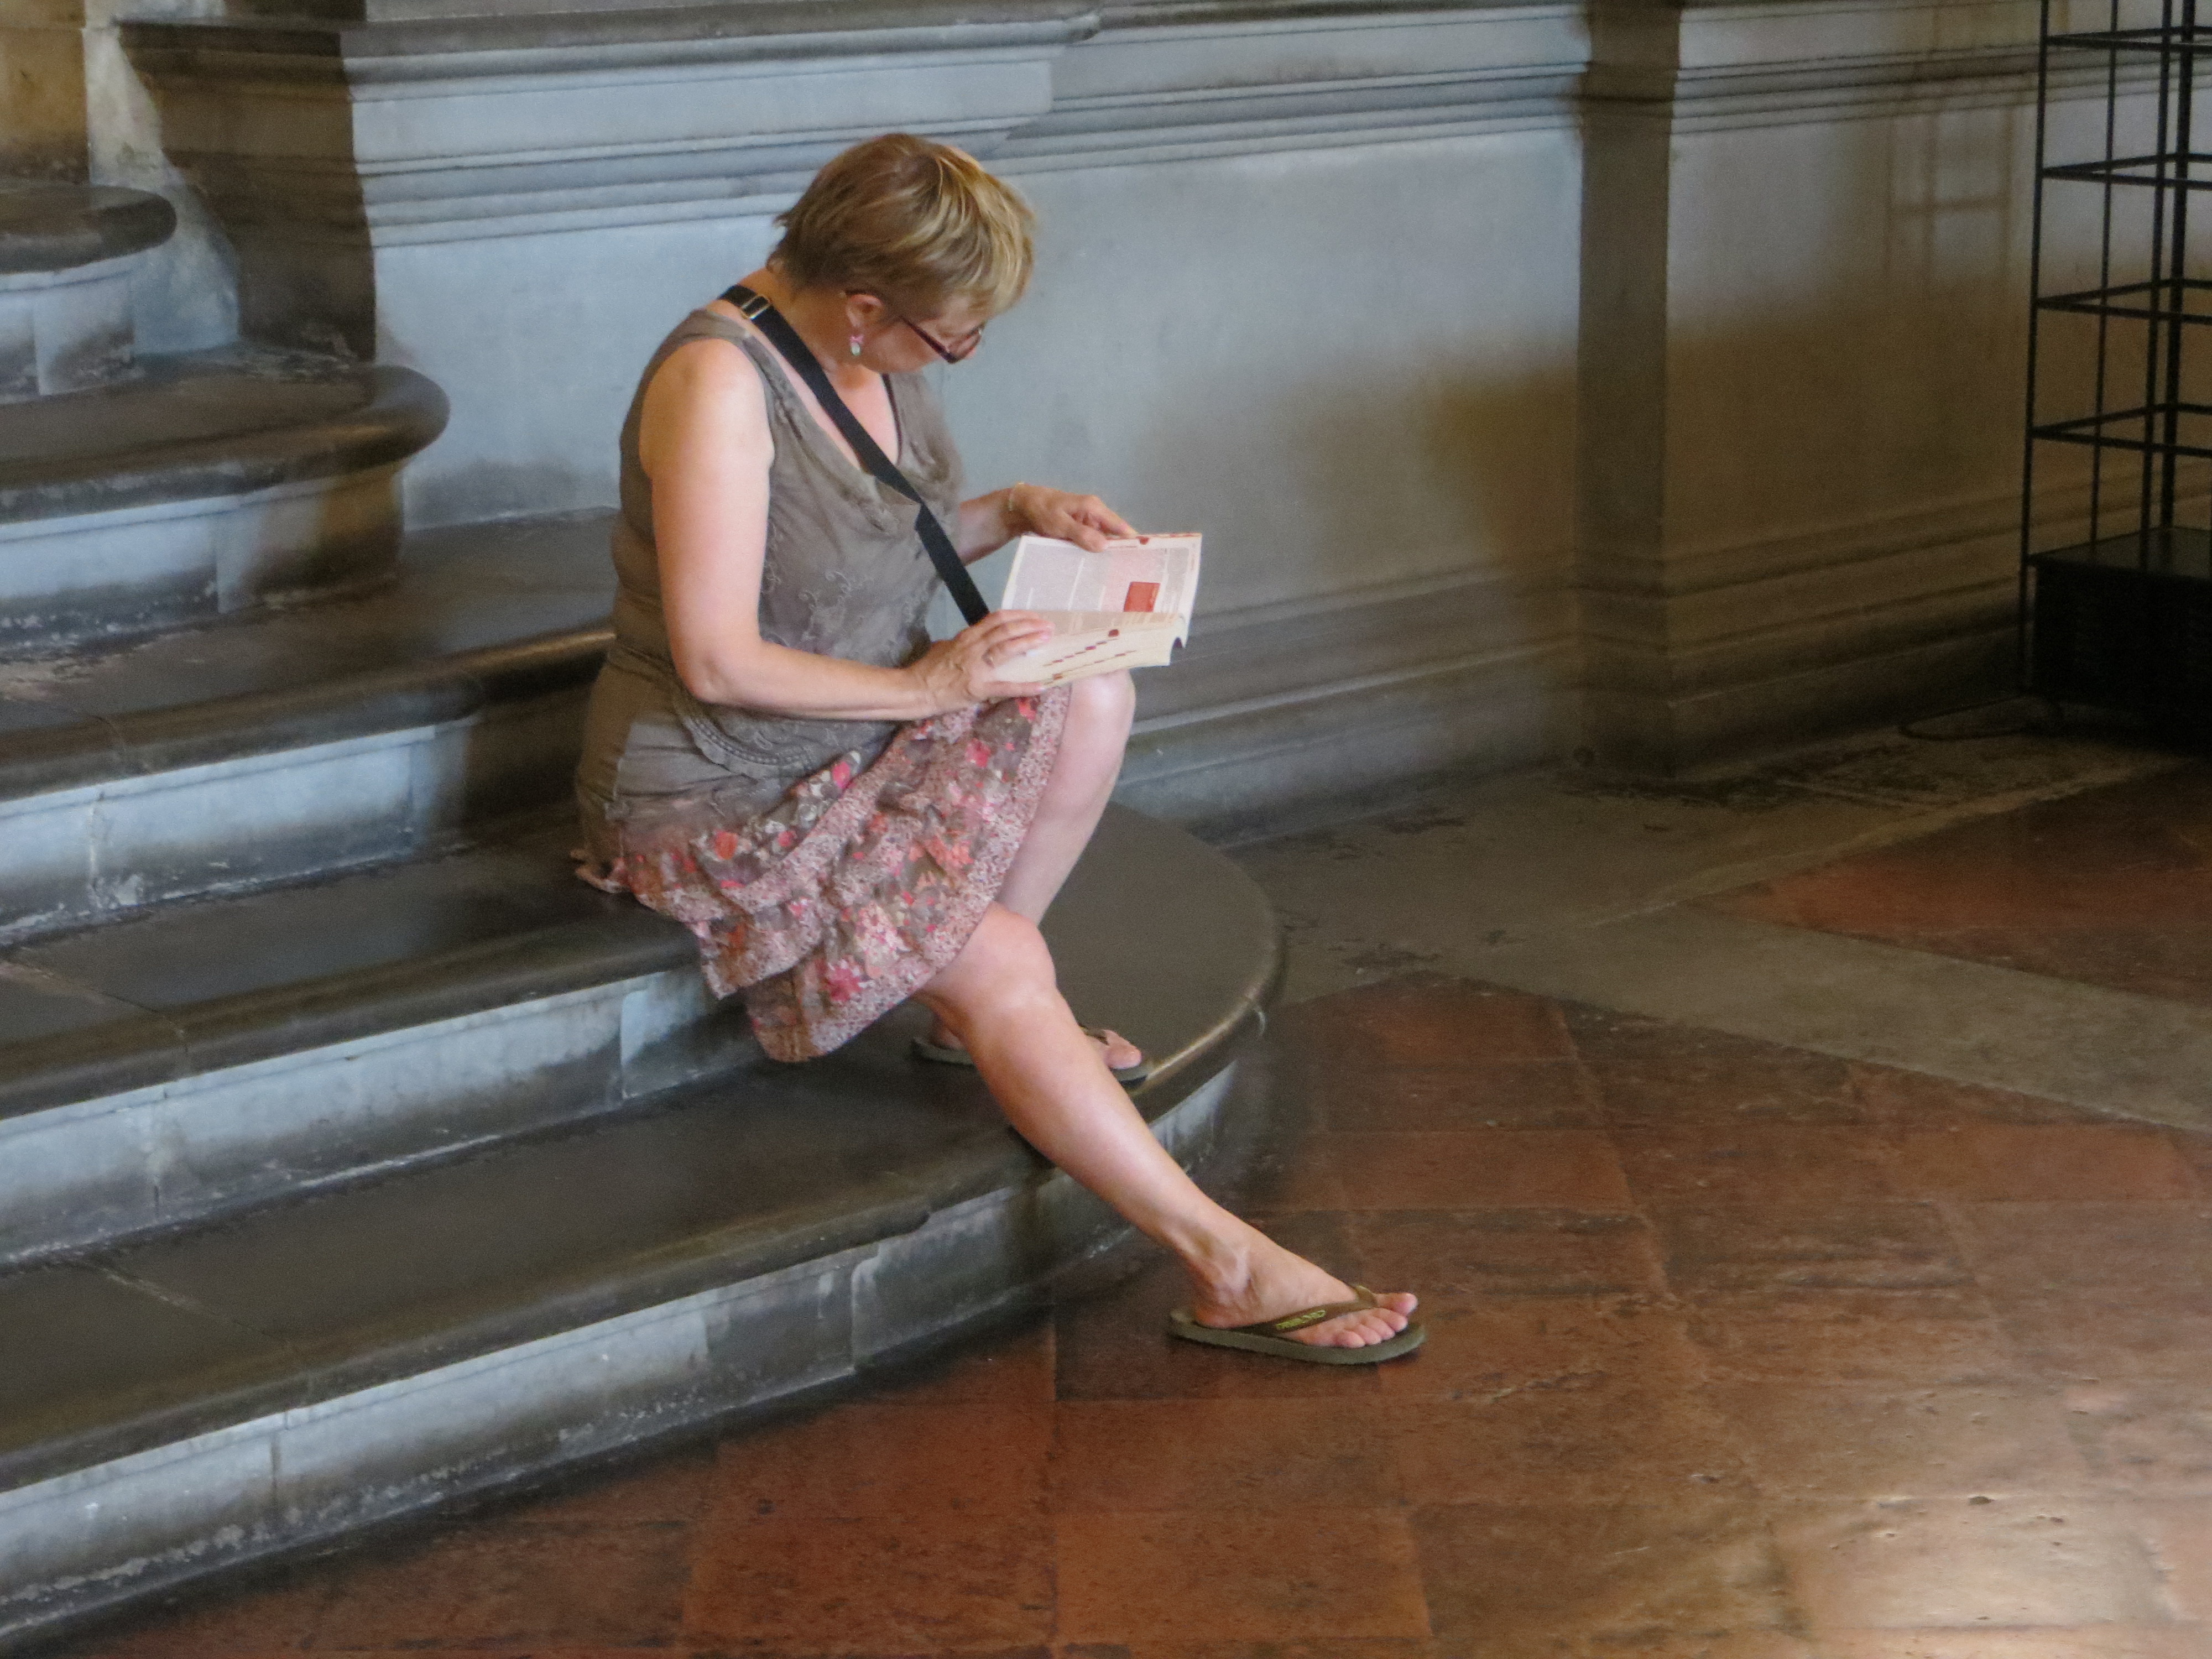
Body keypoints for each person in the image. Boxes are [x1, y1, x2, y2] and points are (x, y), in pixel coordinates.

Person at [575, 132, 1418, 1360]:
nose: (961, 354)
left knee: (1092, 695)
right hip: (723, 788)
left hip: (854, 730)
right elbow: (716, 661)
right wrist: (928, 687)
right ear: (865, 305)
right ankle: (1228, 1263)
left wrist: (1015, 510)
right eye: (954, 335)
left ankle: (956, 998)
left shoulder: (860, 348)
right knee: (1009, 955)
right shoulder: (717, 386)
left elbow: (854, 547)